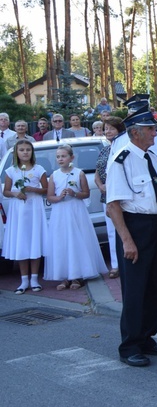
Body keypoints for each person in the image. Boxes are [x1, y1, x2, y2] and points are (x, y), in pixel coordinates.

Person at [106, 106, 157, 367]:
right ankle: (130, 345)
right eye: (150, 129)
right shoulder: (121, 160)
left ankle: (147, 337)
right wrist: (127, 240)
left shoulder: (153, 157)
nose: (155, 132)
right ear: (135, 133)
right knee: (135, 289)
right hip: (135, 227)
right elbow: (113, 206)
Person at [44, 144, 108, 290]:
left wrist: (74, 194)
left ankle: (77, 275)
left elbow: (86, 193)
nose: (61, 159)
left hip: (75, 210)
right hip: (60, 212)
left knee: (77, 240)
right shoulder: (54, 175)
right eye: (58, 156)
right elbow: (50, 196)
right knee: (62, 241)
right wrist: (59, 197)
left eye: (64, 156)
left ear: (71, 158)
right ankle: (65, 276)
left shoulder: (79, 174)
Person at [1, 140, 48, 294]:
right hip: (19, 210)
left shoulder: (39, 169)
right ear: (17, 152)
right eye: (22, 150)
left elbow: (45, 189)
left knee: (34, 241)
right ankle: (24, 280)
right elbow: (6, 191)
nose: (25, 152)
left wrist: (32, 189)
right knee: (22, 242)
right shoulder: (11, 171)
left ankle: (34, 279)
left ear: (32, 152)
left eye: (28, 149)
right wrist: (16, 193)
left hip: (34, 208)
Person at [95, 116, 126, 279]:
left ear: (120, 130)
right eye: (105, 129)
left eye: (111, 129)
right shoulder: (104, 150)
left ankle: (124, 262)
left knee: (122, 229)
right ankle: (115, 265)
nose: (107, 131)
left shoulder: (124, 148)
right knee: (111, 231)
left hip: (121, 197)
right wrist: (100, 186)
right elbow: (97, 172)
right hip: (106, 196)